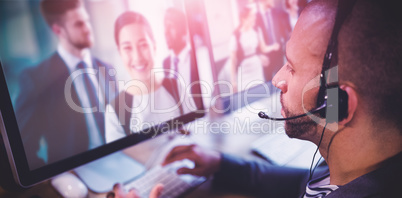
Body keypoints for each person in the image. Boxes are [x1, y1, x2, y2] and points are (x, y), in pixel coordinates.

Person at [115, 0, 402, 197]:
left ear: (338, 103)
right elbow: (305, 182)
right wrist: (221, 164)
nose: (277, 78)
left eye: (292, 67)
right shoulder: (352, 167)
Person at [15, 0, 116, 168]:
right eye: (79, 24)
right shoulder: (36, 79)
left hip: (118, 160)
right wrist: (55, 179)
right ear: (58, 30)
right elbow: (24, 148)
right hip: (73, 174)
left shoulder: (106, 69)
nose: (88, 28)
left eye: (87, 20)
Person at [105, 11, 181, 143]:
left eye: (143, 45)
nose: (138, 57)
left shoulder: (177, 88)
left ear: (155, 46)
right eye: (127, 48)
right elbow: (121, 160)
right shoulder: (114, 111)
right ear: (120, 53)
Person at [229, 4, 279, 92]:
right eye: (251, 16)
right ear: (243, 19)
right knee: (246, 93)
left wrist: (273, 47)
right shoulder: (236, 35)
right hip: (244, 70)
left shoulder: (257, 30)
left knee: (259, 91)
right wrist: (233, 81)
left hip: (256, 67)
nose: (254, 18)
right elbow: (233, 61)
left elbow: (263, 48)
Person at [163, 7, 203, 115]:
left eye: (170, 26)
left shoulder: (198, 57)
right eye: (165, 27)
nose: (165, 32)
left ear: (183, 30)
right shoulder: (166, 63)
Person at [256, 0, 292, 81]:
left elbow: (284, 32)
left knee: (281, 80)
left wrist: (285, 44)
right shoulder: (255, 18)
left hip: (278, 54)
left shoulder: (277, 13)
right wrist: (259, 55)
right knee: (268, 82)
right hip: (265, 57)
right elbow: (254, 41)